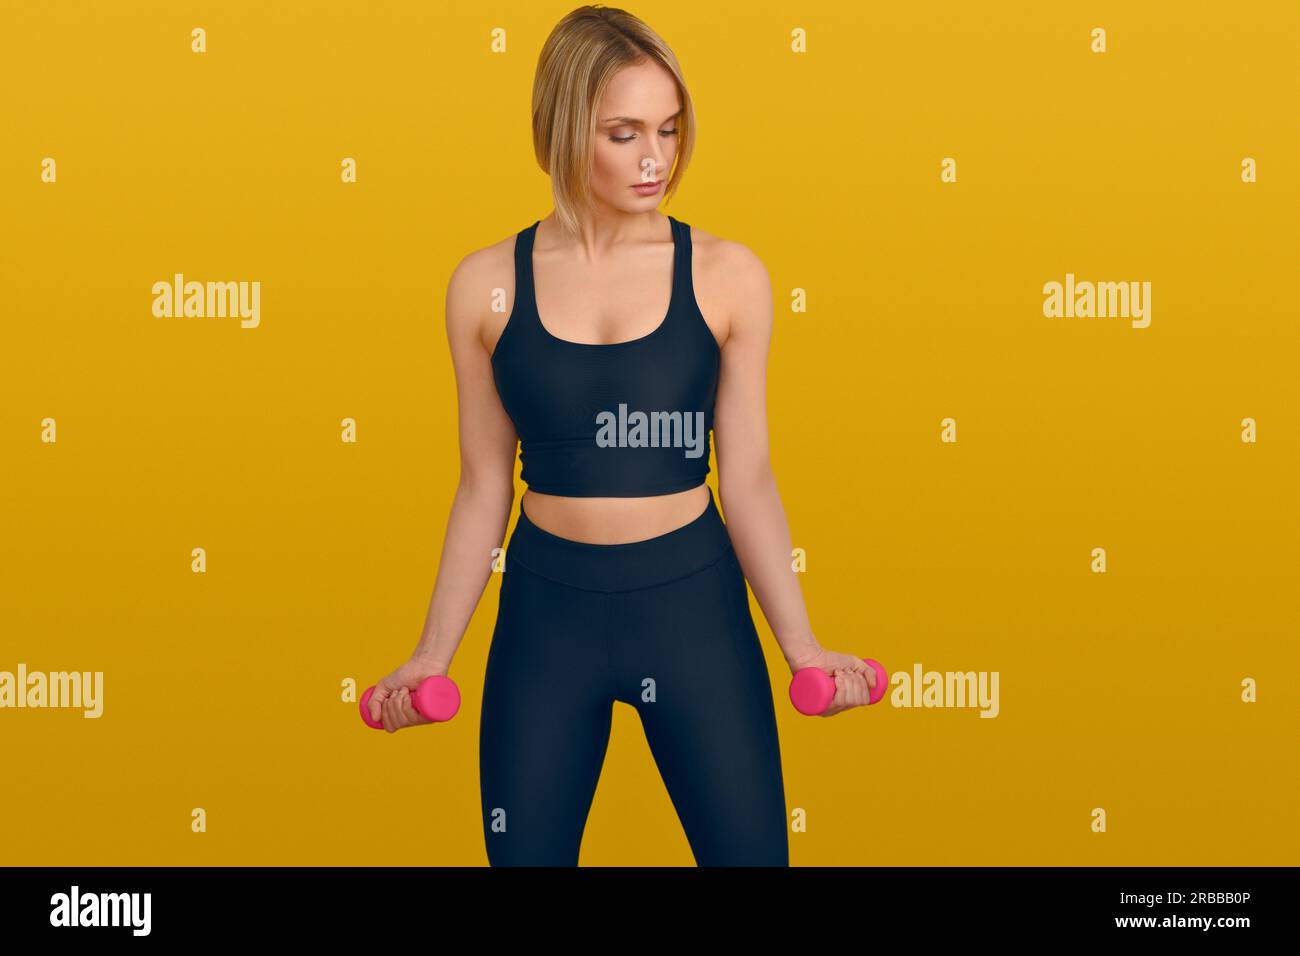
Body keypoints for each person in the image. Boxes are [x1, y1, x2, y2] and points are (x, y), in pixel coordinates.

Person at [366, 4, 877, 866]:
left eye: (670, 130)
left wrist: (803, 646)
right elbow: (484, 486)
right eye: (624, 132)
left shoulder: (728, 276)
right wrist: (431, 653)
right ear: (564, 130)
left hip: (693, 608)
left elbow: (746, 476)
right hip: (545, 613)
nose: (655, 158)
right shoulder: (483, 287)